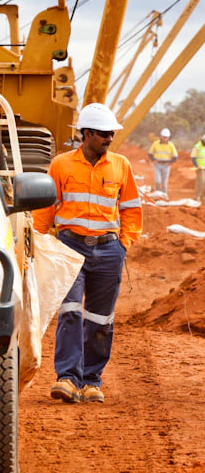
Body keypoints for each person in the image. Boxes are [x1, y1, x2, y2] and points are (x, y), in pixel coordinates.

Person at [33, 103, 143, 404]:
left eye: (111, 134)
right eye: (104, 134)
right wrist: (38, 245)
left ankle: (92, 380)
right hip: (70, 248)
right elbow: (45, 209)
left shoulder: (121, 165)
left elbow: (131, 208)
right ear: (87, 134)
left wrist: (125, 243)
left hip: (109, 251)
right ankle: (67, 378)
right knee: (70, 312)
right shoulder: (61, 164)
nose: (110, 139)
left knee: (100, 319)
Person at [148, 127, 178, 198]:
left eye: (167, 137)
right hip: (157, 164)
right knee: (158, 180)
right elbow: (150, 154)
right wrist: (153, 160)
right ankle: (157, 194)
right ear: (161, 136)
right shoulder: (156, 144)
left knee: (164, 181)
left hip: (166, 165)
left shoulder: (171, 145)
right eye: (164, 137)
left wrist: (170, 162)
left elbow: (175, 157)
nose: (165, 139)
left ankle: (164, 195)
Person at [191, 132, 205, 203]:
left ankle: (204, 198)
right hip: (200, 169)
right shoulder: (197, 147)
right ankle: (197, 197)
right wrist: (197, 166)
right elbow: (193, 158)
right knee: (200, 183)